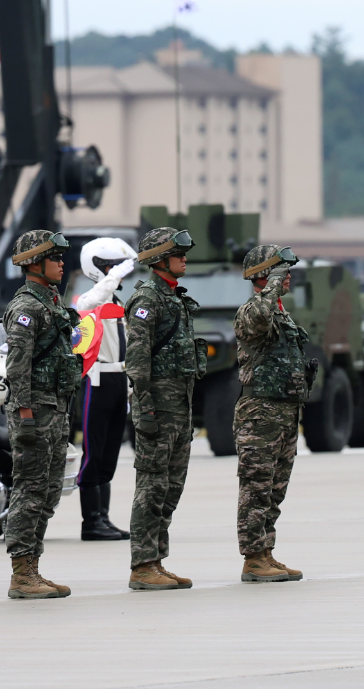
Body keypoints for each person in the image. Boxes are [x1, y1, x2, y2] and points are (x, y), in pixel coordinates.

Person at [124, 226, 202, 591]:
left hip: (179, 409)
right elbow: (137, 362)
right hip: (157, 408)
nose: (185, 257)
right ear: (159, 259)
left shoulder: (173, 298)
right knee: (151, 486)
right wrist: (145, 411)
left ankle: (156, 559)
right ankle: (142, 565)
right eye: (177, 252)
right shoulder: (147, 300)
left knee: (171, 487)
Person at [4, 230, 80, 599]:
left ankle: (33, 567)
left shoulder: (51, 302)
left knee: (48, 493)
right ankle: (21, 574)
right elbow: (16, 367)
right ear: (35, 262)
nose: (62, 264)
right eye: (56, 258)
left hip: (55, 408)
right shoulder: (26, 308)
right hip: (34, 411)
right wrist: (25, 414)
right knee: (30, 491)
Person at [234, 244, 313, 582]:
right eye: (281, 270)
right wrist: (271, 286)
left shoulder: (281, 311)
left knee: (276, 487)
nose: (289, 276)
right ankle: (252, 557)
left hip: (284, 410)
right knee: (257, 486)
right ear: (265, 275)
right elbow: (259, 323)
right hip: (260, 412)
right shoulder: (253, 309)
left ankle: (266, 551)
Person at [71, 236, 137, 541]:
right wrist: (115, 274)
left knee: (110, 453)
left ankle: (104, 519)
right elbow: (90, 302)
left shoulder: (117, 303)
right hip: (96, 383)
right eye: (112, 266)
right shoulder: (88, 301)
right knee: (93, 453)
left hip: (118, 381)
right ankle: (91, 521)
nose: (119, 273)